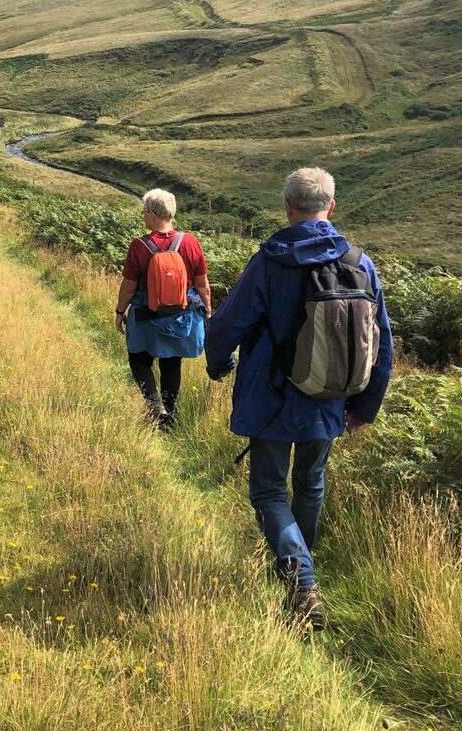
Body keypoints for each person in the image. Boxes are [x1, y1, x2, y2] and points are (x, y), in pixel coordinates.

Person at [204, 167, 393, 630]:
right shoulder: (359, 262)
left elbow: (228, 324)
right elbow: (381, 341)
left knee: (269, 489)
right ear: (331, 206)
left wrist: (216, 364)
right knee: (310, 483)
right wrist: (364, 408)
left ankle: (300, 581)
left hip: (270, 399)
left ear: (287, 208)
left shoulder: (269, 261)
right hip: (330, 399)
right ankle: (299, 570)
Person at [115, 188, 211, 427]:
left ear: (151, 214)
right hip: (180, 317)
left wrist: (119, 312)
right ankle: (169, 415)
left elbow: (128, 287)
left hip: (147, 316)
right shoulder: (189, 242)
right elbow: (202, 285)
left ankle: (154, 404)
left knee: (138, 359)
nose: (143, 216)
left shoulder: (139, 246)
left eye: (144, 211)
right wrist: (208, 310)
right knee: (171, 362)